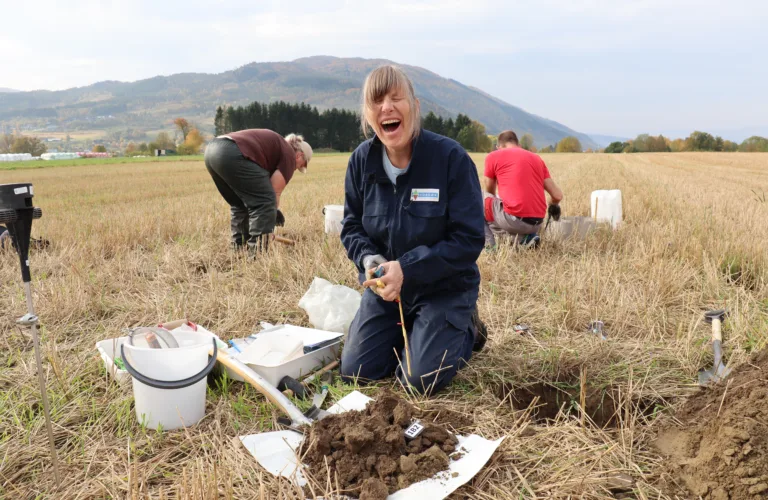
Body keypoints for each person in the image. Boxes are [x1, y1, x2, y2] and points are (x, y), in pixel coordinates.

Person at [339, 65, 488, 396]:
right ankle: (413, 335)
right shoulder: (361, 162)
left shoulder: (450, 159)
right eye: (377, 101)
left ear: (415, 106)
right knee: (356, 373)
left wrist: (408, 268)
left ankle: (466, 329)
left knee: (418, 381)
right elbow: (350, 225)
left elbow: (469, 239)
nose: (387, 108)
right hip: (387, 292)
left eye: (396, 98)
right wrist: (368, 259)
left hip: (443, 288)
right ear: (367, 115)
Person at [204, 129, 313, 254]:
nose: (295, 168)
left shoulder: (277, 145)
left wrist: (268, 218)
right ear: (299, 155)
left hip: (212, 151)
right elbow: (272, 193)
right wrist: (268, 221)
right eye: (300, 165)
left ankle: (238, 249)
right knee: (265, 202)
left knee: (240, 204)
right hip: (232, 153)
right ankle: (256, 255)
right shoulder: (289, 154)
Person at [483, 130, 563, 249]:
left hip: (513, 220)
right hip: (537, 223)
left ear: (498, 147)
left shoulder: (493, 156)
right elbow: (557, 195)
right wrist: (553, 204)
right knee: (501, 213)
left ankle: (490, 246)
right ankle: (523, 239)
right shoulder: (537, 159)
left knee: (477, 197)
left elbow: (490, 194)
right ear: (518, 145)